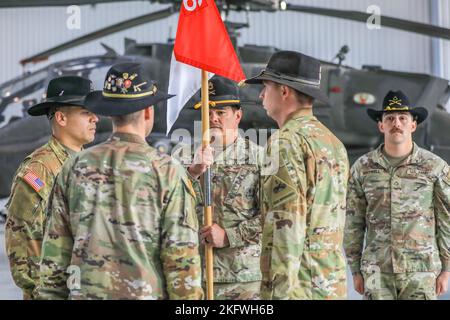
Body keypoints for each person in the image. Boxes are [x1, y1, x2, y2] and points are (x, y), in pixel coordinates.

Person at [35, 62, 203, 300]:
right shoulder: (167, 172)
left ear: (110, 113)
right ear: (147, 112)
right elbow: (181, 263)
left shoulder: (73, 167)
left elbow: (54, 260)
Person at [245, 50, 349, 299]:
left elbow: (286, 226)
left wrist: (275, 296)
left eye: (266, 86)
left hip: (297, 288)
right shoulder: (332, 142)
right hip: (329, 283)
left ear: (284, 91)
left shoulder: (286, 142)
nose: (260, 95)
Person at [345, 90, 450, 300]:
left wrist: (446, 269)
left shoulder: (434, 167)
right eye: (390, 118)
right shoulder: (363, 168)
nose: (397, 123)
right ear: (381, 125)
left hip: (421, 270)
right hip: (376, 271)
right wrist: (355, 270)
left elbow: (447, 219)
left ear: (413, 125)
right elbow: (353, 222)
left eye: (403, 118)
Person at [5, 76, 98, 299]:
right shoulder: (41, 169)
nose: (95, 118)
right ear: (61, 118)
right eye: (86, 112)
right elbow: (23, 239)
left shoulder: (89, 163)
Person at [186, 76, 263, 300]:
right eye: (208, 113)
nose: (213, 119)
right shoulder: (184, 156)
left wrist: (229, 236)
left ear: (238, 116)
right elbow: (170, 208)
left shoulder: (260, 158)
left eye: (221, 113)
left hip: (241, 279)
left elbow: (273, 215)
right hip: (194, 274)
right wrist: (192, 173)